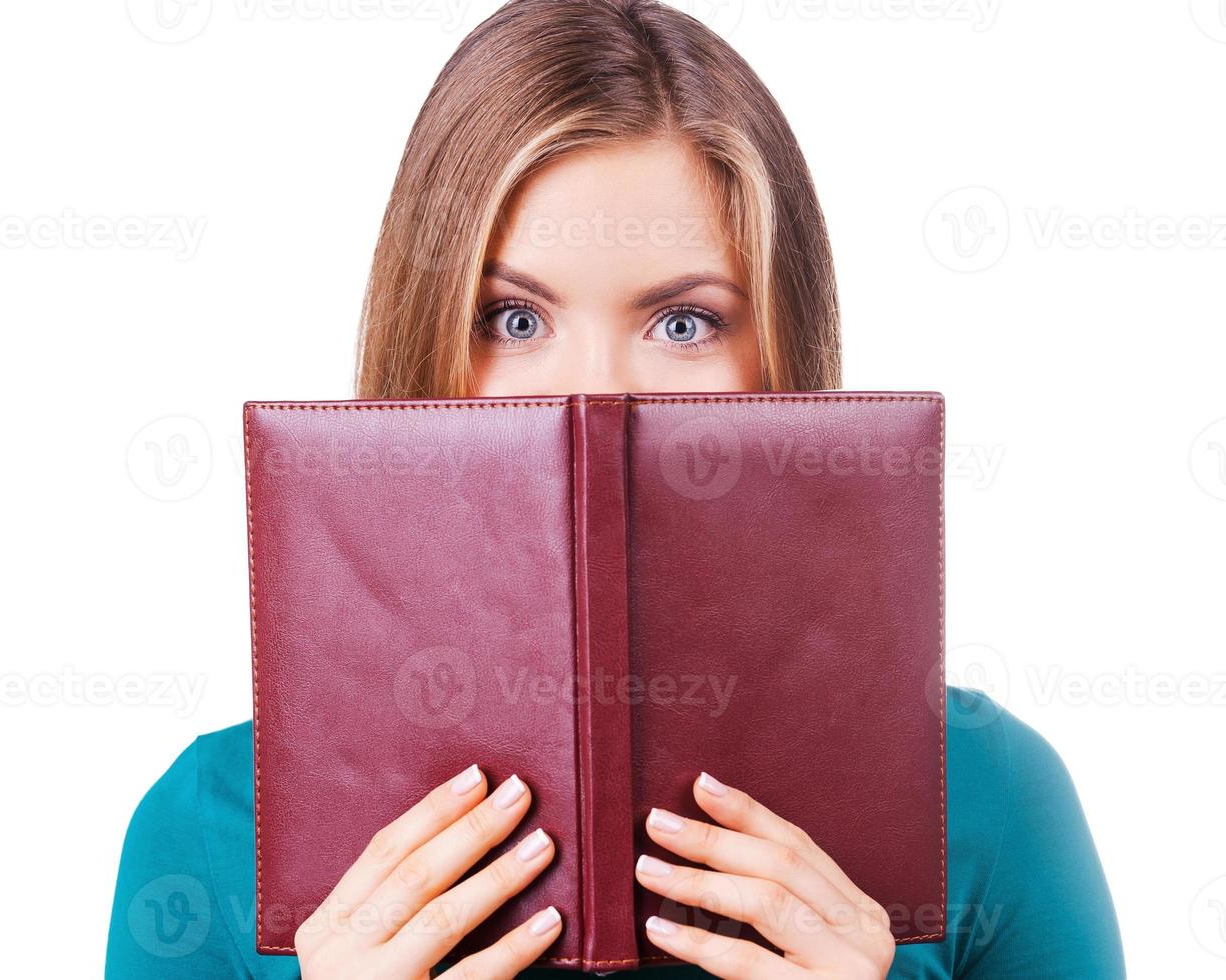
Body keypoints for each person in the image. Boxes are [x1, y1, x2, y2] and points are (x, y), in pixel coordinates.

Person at [106, 1, 1124, 976]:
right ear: (425, 341)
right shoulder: (210, 826)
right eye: (512, 317)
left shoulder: (988, 800)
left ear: (782, 359)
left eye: (683, 322)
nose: (596, 393)